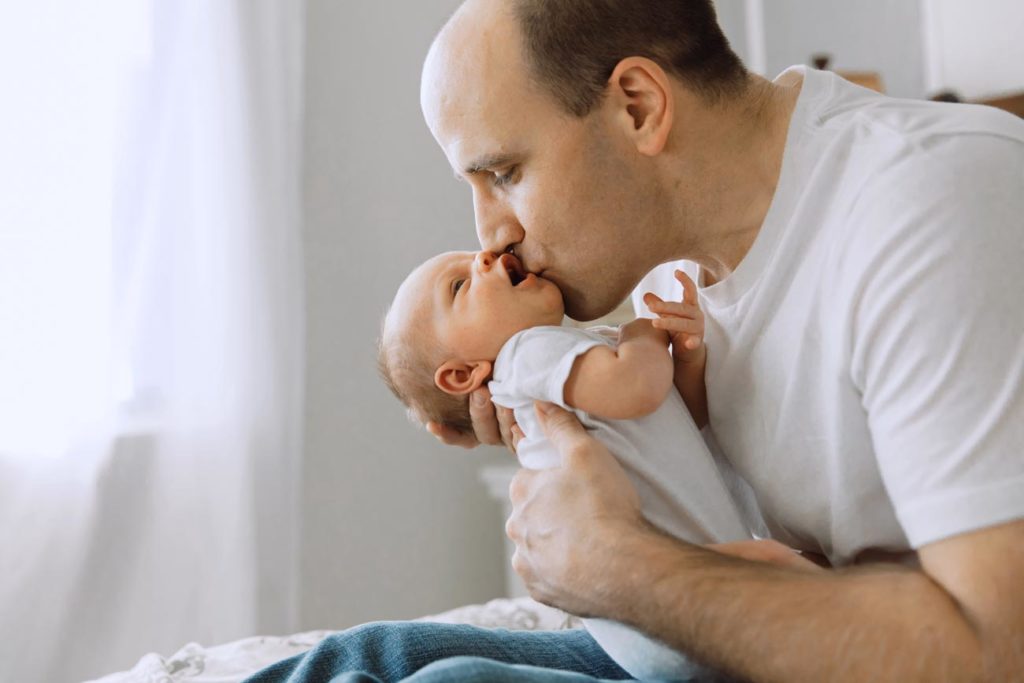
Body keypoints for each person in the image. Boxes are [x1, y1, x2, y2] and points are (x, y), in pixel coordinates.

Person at [247, 0, 1024, 680]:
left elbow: (996, 652)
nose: (490, 234)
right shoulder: (667, 269)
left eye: (506, 173)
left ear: (639, 106)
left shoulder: (932, 206)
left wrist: (612, 566)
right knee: (367, 661)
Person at [377, 249, 761, 679]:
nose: (486, 255)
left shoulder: (564, 360)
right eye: (459, 285)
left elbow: (679, 421)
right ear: (462, 376)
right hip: (685, 618)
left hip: (671, 627)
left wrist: (685, 359)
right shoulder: (524, 353)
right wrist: (644, 333)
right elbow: (637, 386)